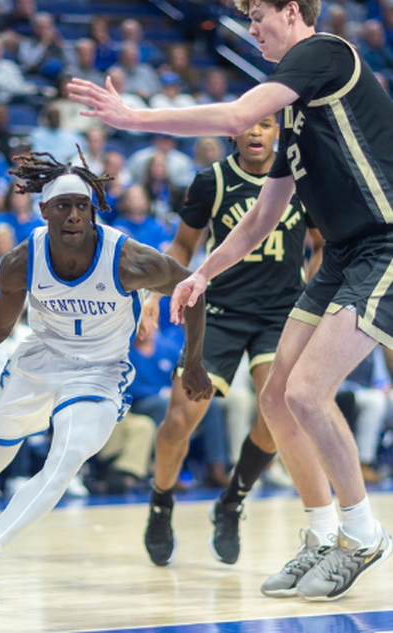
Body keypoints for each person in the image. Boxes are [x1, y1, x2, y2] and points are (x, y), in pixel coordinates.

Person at [70, 0, 393, 601]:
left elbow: (239, 113)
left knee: (306, 391)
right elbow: (262, 218)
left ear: (292, 11)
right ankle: (322, 535)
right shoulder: (295, 113)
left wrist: (134, 118)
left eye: (257, 18)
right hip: (345, 254)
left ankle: (363, 532)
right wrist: (202, 275)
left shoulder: (322, 54)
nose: (251, 31)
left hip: (384, 243)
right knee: (275, 397)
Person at [0, 151, 212, 607]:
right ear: (43, 211)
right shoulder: (22, 261)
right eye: (63, 206)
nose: (74, 215)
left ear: (94, 209)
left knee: (64, 461)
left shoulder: (129, 258)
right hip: (39, 362)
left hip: (100, 373)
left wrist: (192, 361)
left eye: (82, 205)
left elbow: (193, 291)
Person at [140, 114, 326, 567]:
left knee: (280, 416)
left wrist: (315, 295)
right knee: (179, 421)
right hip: (219, 311)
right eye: (250, 125)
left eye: (266, 124)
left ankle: (232, 500)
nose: (257, 133)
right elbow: (184, 247)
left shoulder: (302, 179)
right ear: (233, 132)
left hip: (279, 313)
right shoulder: (212, 181)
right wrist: (155, 291)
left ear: (277, 132)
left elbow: (322, 244)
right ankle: (161, 502)